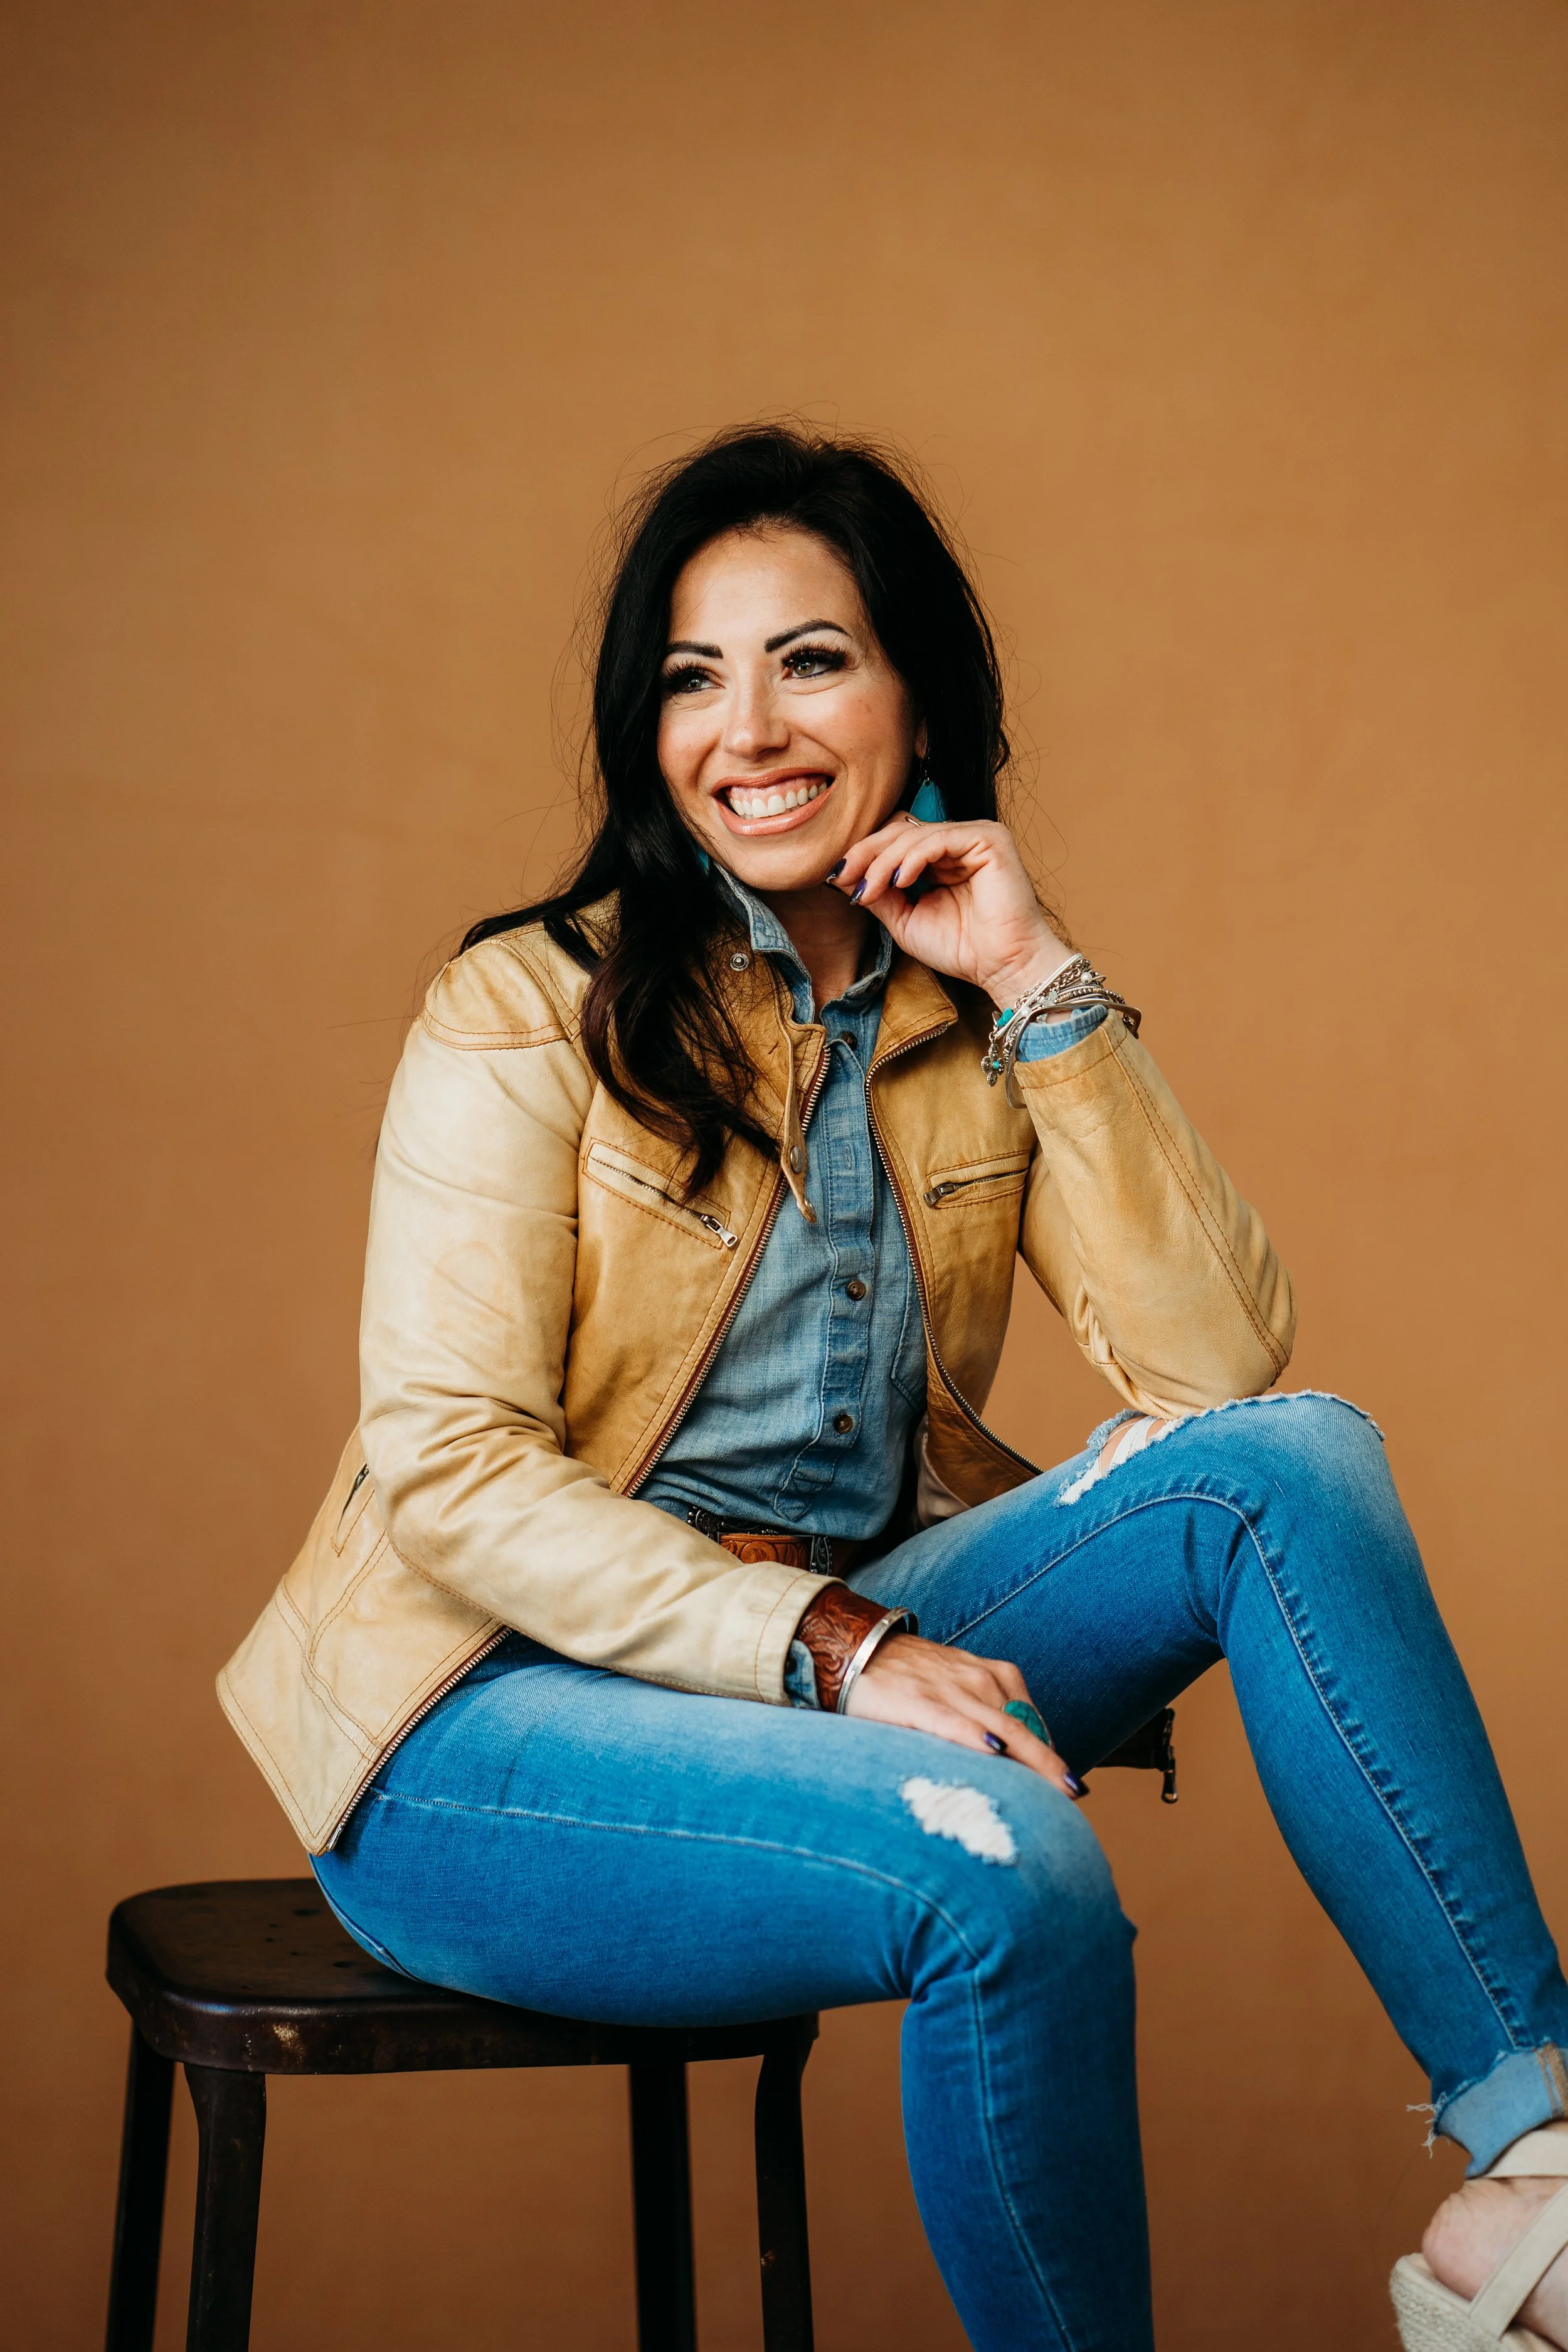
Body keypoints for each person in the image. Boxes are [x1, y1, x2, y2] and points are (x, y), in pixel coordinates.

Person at [220, 425, 1568, 2351]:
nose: (744, 726)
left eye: (810, 658)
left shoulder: (961, 1011)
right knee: (1003, 1865)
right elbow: (449, 1474)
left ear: (915, 691)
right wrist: (840, 1646)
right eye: (692, 675)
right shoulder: (521, 1005)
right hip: (485, 1721)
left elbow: (1210, 1366)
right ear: (644, 726)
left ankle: (1532, 2174)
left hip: (826, 1650)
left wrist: (1035, 982)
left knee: (1292, 1465)